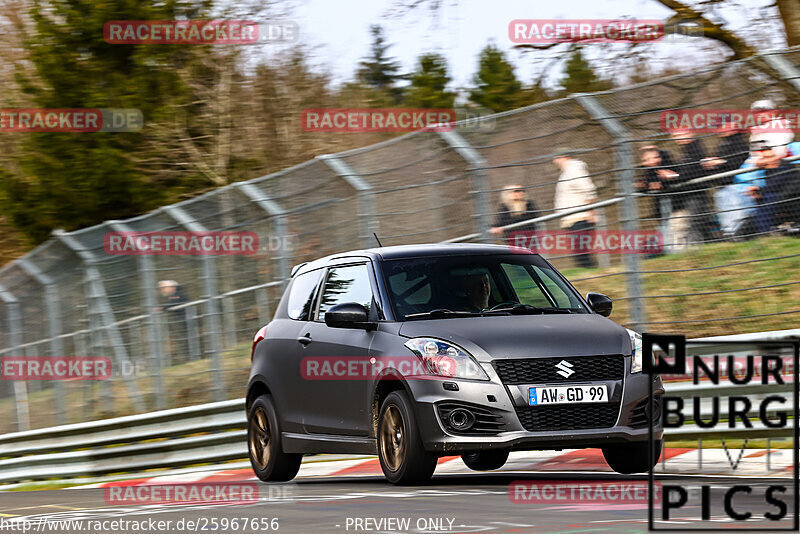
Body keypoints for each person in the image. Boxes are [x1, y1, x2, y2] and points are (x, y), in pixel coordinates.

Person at [740, 142, 800, 235]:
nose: (764, 154)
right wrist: (757, 191)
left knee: (768, 199)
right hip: (778, 197)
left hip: (790, 197)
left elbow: (777, 185)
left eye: (767, 151)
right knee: (762, 200)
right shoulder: (765, 169)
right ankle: (760, 232)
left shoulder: (784, 166)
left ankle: (764, 232)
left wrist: (759, 191)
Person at [552, 149, 597, 268]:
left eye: (557, 157)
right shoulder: (567, 171)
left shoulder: (574, 169)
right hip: (571, 218)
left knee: (581, 251)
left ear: (564, 157)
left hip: (580, 217)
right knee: (578, 252)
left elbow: (588, 190)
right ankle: (590, 272)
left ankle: (592, 273)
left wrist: (591, 212)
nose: (554, 161)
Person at [669, 129, 716, 243]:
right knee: (699, 221)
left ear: (690, 133)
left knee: (696, 221)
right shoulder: (687, 150)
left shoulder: (695, 148)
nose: (678, 139)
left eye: (680, 134)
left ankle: (698, 245)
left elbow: (691, 171)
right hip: (691, 192)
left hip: (696, 192)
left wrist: (675, 176)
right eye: (676, 136)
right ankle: (707, 243)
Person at [157, 280, 190, 363]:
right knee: (182, 341)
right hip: (183, 321)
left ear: (172, 287)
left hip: (185, 321)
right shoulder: (175, 295)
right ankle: (186, 360)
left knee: (184, 341)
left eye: (164, 288)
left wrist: (162, 308)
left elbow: (173, 303)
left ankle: (187, 360)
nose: (162, 290)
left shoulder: (177, 295)